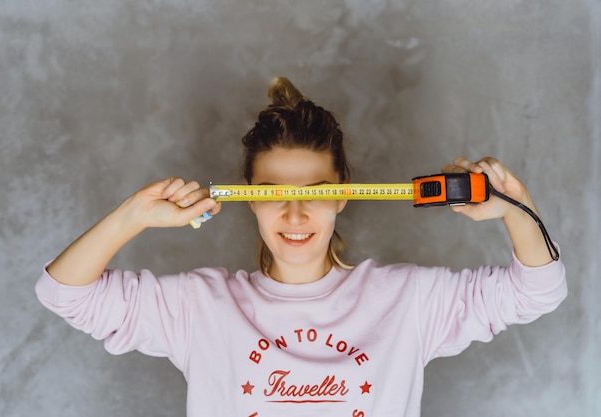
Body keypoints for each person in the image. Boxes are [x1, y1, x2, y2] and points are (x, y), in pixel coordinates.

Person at [35, 77, 567, 417]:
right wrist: (132, 216)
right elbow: (63, 294)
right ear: (248, 199)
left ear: (343, 197)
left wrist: (515, 204)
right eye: (272, 195)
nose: (294, 214)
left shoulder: (407, 300)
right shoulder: (200, 308)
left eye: (316, 194)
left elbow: (538, 292)